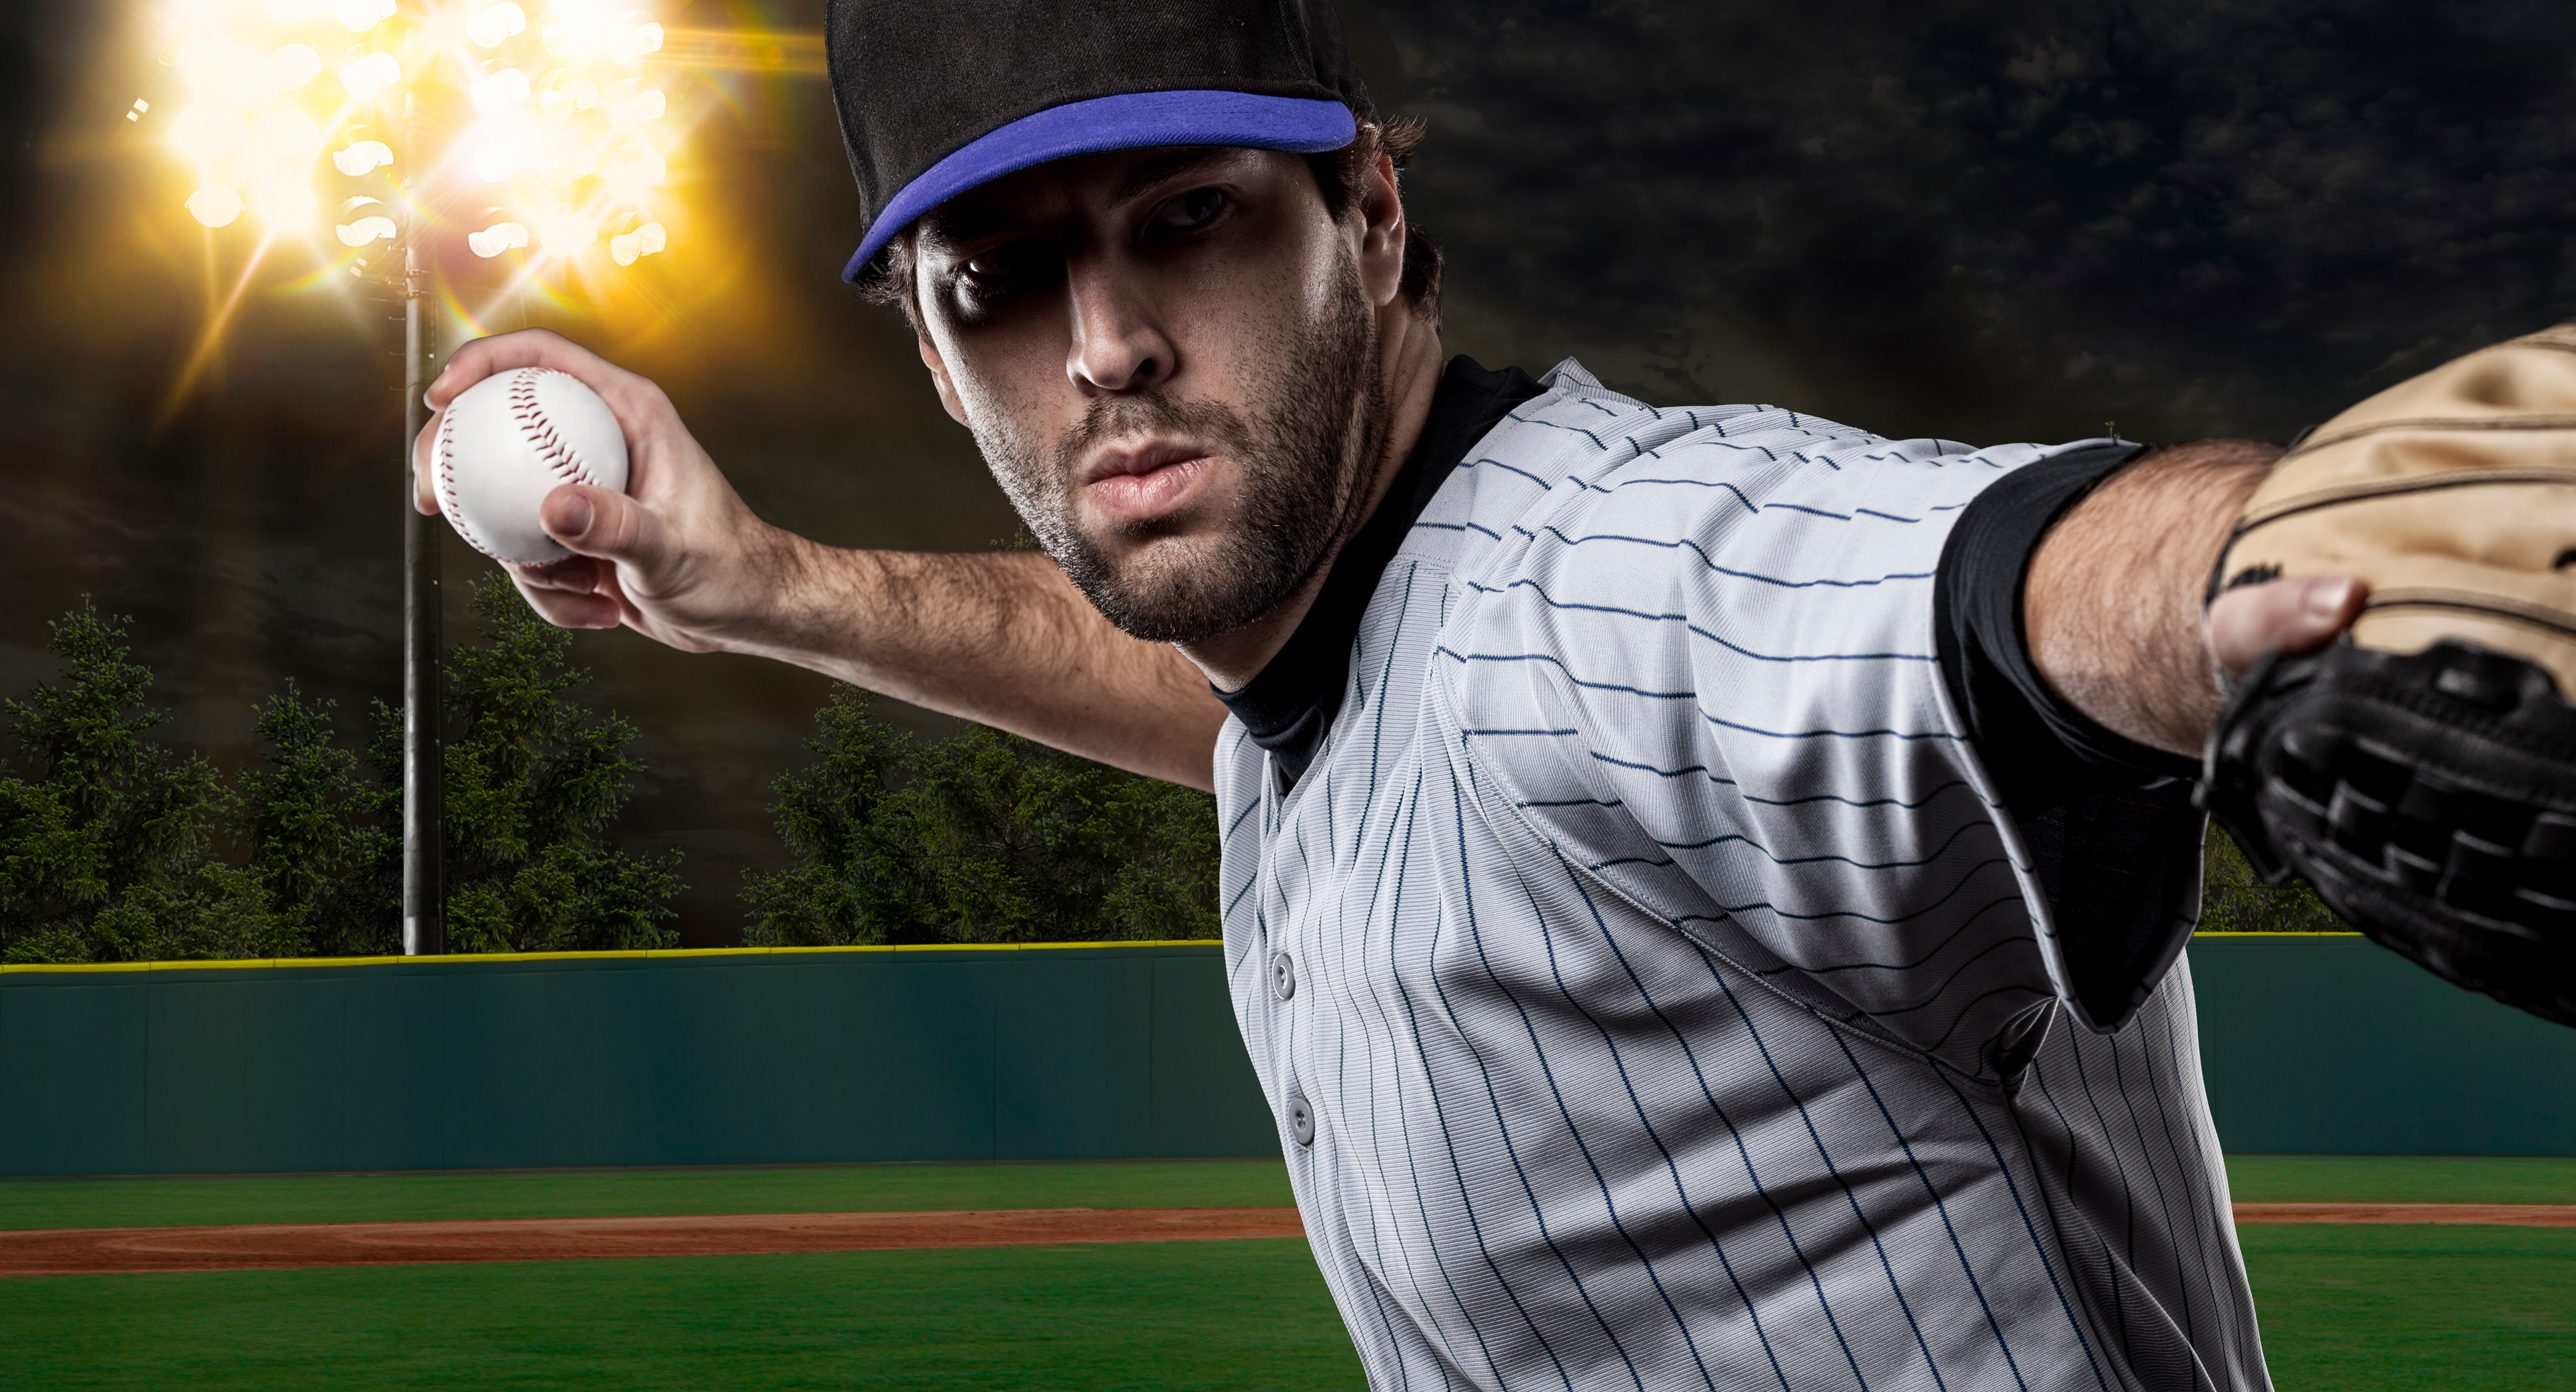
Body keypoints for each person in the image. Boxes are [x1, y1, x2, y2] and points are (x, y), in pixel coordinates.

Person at [411, 2, 2368, 1387]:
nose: (1102, 347)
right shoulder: (1351, 649)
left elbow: (2013, 582)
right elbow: (1271, 708)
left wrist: (2349, 559)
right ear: (932, 356)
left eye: (1183, 217)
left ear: (1363, 211)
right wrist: (757, 585)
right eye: (998, 282)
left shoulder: (1615, 586)